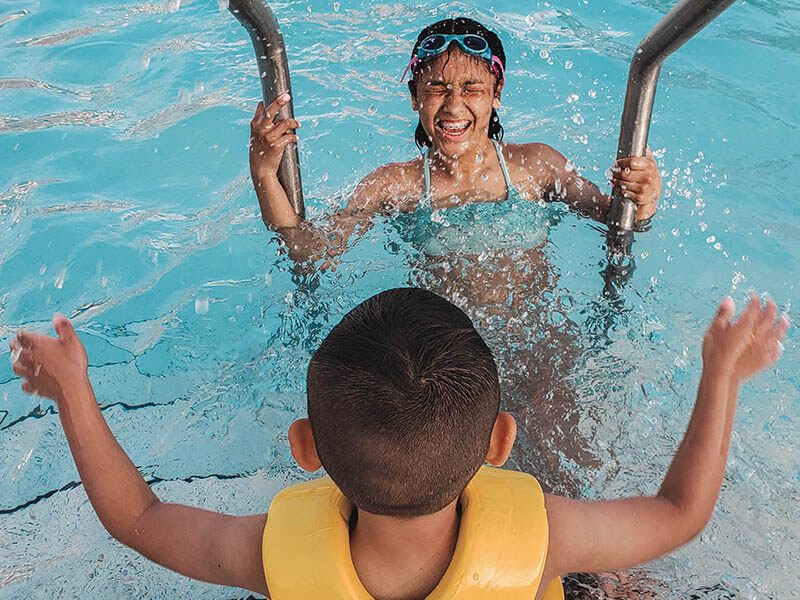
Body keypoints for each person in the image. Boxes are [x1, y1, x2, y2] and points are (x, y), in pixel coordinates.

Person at [9, 289, 787, 599]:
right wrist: (722, 374)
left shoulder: (269, 558)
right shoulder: (547, 537)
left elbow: (136, 519)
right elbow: (680, 512)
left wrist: (75, 390)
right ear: (501, 441)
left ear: (304, 448)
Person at [249, 17, 662, 264]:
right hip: (441, 361)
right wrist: (264, 172)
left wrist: (643, 201)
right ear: (414, 97)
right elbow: (311, 254)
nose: (453, 105)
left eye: (472, 88)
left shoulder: (537, 166)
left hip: (535, 346)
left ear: (496, 94)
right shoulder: (394, 186)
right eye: (437, 88)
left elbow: (616, 224)